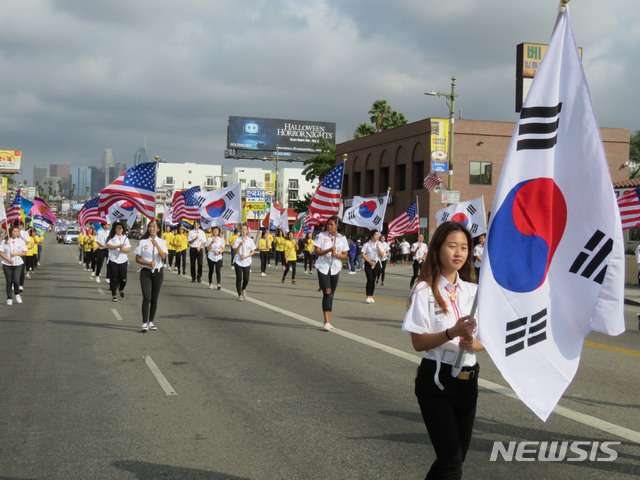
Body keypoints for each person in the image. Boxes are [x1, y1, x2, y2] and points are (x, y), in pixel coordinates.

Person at [402, 221, 483, 480]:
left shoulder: (474, 291)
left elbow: (485, 341)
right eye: (452, 246)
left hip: (468, 380)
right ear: (437, 250)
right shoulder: (424, 289)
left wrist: (472, 343)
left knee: (456, 458)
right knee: (450, 461)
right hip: (437, 380)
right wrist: (453, 333)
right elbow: (418, 341)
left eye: (464, 247)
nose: (458, 253)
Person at [314, 216, 349, 331]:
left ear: (337, 226)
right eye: (328, 224)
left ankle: (329, 320)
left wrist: (336, 255)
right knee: (327, 293)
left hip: (335, 268)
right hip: (323, 267)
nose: (329, 226)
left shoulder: (342, 238)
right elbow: (317, 252)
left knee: (332, 295)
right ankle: (326, 321)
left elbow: (345, 255)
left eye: (331, 224)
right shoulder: (321, 236)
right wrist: (329, 250)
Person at [134, 220, 168, 332]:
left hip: (158, 272)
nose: (151, 229)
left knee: (154, 298)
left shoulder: (162, 242)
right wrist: (148, 263)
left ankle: (151, 321)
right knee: (147, 297)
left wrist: (156, 245)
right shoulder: (143, 242)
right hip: (146, 272)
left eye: (154, 227)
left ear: (158, 229)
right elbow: (137, 258)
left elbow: (163, 257)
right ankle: (144, 322)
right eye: (150, 227)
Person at [1, 226, 27, 305]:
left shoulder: (20, 241)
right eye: (14, 231)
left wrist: (16, 254)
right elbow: (1, 252)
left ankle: (17, 293)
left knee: (16, 280)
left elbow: (24, 252)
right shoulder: (5, 241)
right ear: (10, 232)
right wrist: (8, 259)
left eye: (17, 231)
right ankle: (9, 298)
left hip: (18, 263)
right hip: (7, 264)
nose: (16, 233)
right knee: (9, 282)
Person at [106, 221, 131, 302]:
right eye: (118, 228)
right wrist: (118, 246)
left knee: (124, 279)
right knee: (114, 278)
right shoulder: (112, 238)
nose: (119, 229)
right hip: (113, 259)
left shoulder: (125, 238)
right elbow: (109, 246)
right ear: (115, 229)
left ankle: (121, 288)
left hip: (123, 260)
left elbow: (128, 249)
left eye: (121, 228)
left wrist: (123, 249)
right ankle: (114, 295)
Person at [361, 229, 385, 303]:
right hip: (369, 263)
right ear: (372, 236)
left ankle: (371, 296)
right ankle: (367, 296)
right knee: (370, 279)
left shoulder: (379, 244)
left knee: (373, 280)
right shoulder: (367, 244)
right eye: (376, 235)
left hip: (376, 263)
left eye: (378, 235)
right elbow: (363, 254)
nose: (377, 236)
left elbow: (382, 255)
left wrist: (378, 248)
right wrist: (369, 261)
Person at [233, 224, 256, 301]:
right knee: (239, 278)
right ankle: (239, 294)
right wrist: (240, 244)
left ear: (247, 230)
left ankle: (243, 289)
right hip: (238, 261)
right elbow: (235, 251)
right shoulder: (237, 240)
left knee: (246, 279)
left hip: (247, 261)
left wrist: (246, 256)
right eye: (242, 229)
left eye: (245, 229)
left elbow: (253, 251)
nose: (243, 231)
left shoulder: (250, 240)